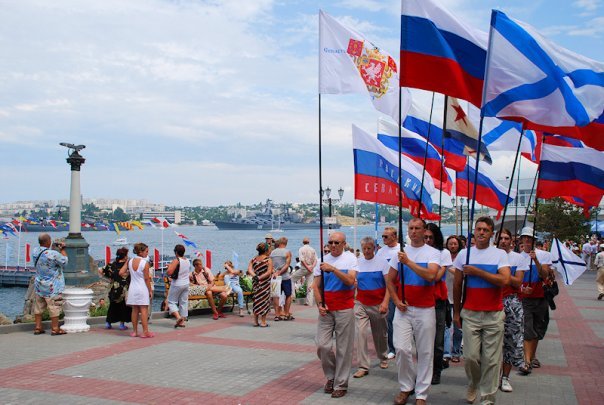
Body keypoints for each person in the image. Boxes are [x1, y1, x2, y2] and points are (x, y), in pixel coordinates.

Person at [453, 217, 510, 405]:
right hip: (470, 313)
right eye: (479, 229)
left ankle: (488, 397)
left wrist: (479, 272)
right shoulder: (464, 254)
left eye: (486, 230)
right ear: (474, 231)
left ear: (491, 233)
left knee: (492, 360)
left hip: (493, 313)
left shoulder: (500, 254)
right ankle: (473, 383)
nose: (481, 232)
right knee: (470, 357)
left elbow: (504, 281)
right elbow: (457, 284)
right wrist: (456, 312)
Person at [386, 218, 440, 405]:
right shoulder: (400, 254)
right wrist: (395, 299)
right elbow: (390, 279)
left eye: (418, 228)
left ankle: (422, 393)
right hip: (404, 309)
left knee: (425, 352)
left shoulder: (432, 253)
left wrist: (408, 262)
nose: (414, 231)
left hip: (425, 309)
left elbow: (431, 275)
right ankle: (406, 386)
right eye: (411, 228)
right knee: (401, 348)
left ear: (424, 231)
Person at [313, 231, 357, 399]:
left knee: (343, 348)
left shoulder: (350, 259)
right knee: (322, 345)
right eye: (330, 242)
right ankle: (331, 376)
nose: (332, 245)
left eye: (336, 243)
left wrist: (333, 269)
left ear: (343, 244)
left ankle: (341, 384)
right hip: (326, 309)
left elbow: (350, 281)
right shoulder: (321, 261)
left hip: (344, 308)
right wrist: (319, 304)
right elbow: (316, 286)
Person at [497, 228, 529, 392]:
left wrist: (502, 275)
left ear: (512, 241)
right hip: (493, 301)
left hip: (512, 302)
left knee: (511, 341)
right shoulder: (490, 256)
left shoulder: (519, 258)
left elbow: (518, 282)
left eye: (506, 238)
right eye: (500, 238)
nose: (503, 241)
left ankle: (505, 377)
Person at [353, 237, 390, 379]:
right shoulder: (358, 262)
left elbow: (389, 285)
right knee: (361, 333)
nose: (367, 251)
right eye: (364, 249)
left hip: (378, 303)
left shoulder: (382, 263)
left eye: (369, 248)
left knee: (379, 333)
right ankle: (363, 366)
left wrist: (385, 302)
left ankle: (383, 356)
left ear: (374, 248)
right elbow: (353, 280)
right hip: (361, 302)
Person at [519, 227, 553, 374]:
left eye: (529, 238)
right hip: (525, 299)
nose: (527, 240)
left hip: (541, 298)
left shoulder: (544, 255)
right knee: (527, 329)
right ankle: (526, 362)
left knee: (538, 329)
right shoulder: (517, 257)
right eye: (524, 238)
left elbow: (544, 274)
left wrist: (536, 260)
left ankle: (531, 357)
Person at [424, 223, 452, 385]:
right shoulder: (418, 253)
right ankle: (424, 370)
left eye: (431, 237)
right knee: (422, 339)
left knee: (438, 340)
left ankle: (436, 371)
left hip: (438, 300)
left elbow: (436, 276)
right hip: (421, 300)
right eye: (425, 237)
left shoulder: (443, 253)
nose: (428, 240)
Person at [32, 233, 68, 336]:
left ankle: (38, 327)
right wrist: (62, 249)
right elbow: (65, 262)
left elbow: (45, 255)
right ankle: (55, 328)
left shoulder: (35, 251)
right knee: (54, 307)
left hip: (39, 284)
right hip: (53, 286)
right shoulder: (53, 254)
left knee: (38, 307)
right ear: (48, 241)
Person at [376, 226, 400, 360]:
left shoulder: (401, 250)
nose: (383, 238)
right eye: (383, 236)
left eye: (386, 236)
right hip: (386, 289)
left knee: (399, 320)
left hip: (399, 289)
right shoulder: (380, 252)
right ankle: (392, 348)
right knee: (389, 320)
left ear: (394, 236)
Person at [120, 242, 154, 338]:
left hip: (133, 287)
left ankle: (134, 331)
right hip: (142, 288)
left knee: (134, 310)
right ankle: (145, 331)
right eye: (146, 251)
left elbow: (121, 272)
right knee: (144, 310)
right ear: (141, 252)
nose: (147, 253)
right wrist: (150, 290)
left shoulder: (130, 261)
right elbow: (147, 279)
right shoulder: (145, 263)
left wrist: (129, 274)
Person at [99, 247, 131, 331]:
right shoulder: (127, 266)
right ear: (124, 256)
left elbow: (101, 271)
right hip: (124, 288)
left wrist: (110, 278)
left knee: (112, 306)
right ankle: (121, 324)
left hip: (113, 288)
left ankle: (108, 323)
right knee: (123, 307)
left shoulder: (111, 265)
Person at [444, 235, 463, 365]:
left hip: (458, 297)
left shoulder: (462, 258)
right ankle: (446, 353)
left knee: (458, 327)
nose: (453, 246)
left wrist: (448, 267)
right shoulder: (444, 257)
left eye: (455, 244)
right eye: (450, 244)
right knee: (446, 326)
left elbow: (460, 273)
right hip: (446, 296)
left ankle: (456, 351)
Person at [248, 242, 273, 327]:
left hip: (256, 283)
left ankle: (255, 321)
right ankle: (263, 322)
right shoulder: (268, 259)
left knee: (256, 301)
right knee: (264, 301)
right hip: (265, 283)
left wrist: (255, 276)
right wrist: (260, 277)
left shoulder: (253, 259)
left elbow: (249, 269)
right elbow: (269, 272)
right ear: (266, 250)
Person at [166, 244, 191, 328]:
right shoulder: (187, 260)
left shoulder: (176, 260)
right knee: (183, 302)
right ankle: (182, 321)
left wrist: (169, 267)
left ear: (176, 252)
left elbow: (169, 272)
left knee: (171, 302)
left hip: (177, 283)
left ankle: (178, 317)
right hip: (186, 283)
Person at [270, 237, 293, 321]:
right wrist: (279, 273)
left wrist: (274, 272)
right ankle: (286, 314)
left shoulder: (272, 252)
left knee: (276, 296)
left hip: (275, 278)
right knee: (288, 295)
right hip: (285, 277)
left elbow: (270, 265)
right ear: (286, 244)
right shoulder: (287, 252)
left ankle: (277, 315)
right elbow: (287, 265)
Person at [291, 237, 317, 306]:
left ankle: (292, 295)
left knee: (292, 279)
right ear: (309, 242)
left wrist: (307, 267)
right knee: (310, 284)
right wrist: (312, 267)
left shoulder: (301, 249)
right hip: (311, 268)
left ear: (303, 242)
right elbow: (316, 260)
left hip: (304, 268)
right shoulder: (312, 249)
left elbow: (302, 260)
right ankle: (309, 302)